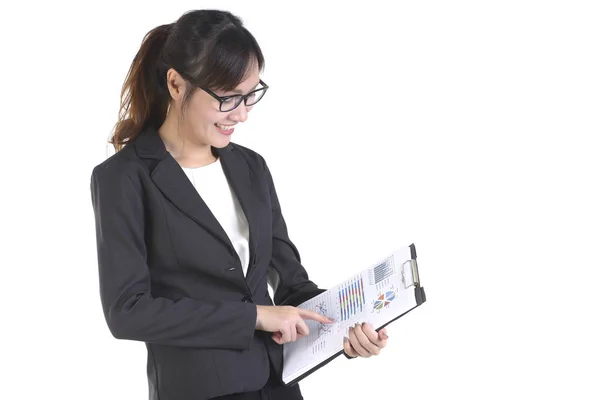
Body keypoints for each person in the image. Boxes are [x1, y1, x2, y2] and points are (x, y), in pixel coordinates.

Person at [90, 9, 388, 400]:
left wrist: (346, 329)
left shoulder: (250, 166)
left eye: (250, 96)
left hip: (279, 387)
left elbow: (291, 285)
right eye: (228, 98)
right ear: (176, 84)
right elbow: (127, 311)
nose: (243, 114)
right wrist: (255, 317)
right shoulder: (123, 177)